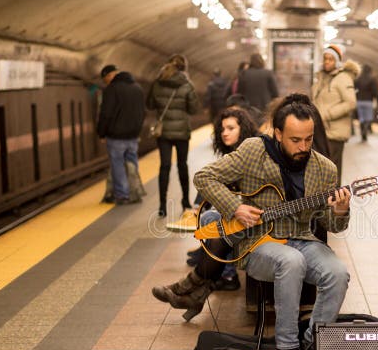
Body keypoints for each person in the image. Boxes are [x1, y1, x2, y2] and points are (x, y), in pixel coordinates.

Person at [193, 94, 351, 350]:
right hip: (256, 243)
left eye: (308, 139)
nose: (303, 147)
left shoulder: (325, 168)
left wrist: (340, 210)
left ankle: (311, 345)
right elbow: (204, 178)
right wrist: (235, 207)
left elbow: (332, 224)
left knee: (338, 273)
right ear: (278, 134)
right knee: (290, 261)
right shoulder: (254, 151)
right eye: (295, 140)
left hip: (302, 239)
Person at [152, 108, 261, 318]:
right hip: (248, 217)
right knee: (211, 219)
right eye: (222, 129)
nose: (225, 133)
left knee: (212, 220)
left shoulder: (250, 153)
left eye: (231, 128)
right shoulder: (235, 154)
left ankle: (189, 287)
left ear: (244, 129)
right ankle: (200, 292)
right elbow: (216, 182)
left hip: (257, 218)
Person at [146, 54, 200, 218]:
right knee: (182, 165)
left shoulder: (157, 83)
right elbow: (193, 109)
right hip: (182, 131)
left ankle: (162, 205)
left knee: (164, 166)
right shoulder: (187, 85)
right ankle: (185, 202)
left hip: (164, 133)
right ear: (184, 69)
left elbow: (149, 104)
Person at [96, 64, 146, 205]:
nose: (105, 81)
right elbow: (143, 112)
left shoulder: (111, 90)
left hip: (116, 136)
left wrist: (101, 133)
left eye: (105, 78)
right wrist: (137, 129)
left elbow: (106, 114)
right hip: (133, 136)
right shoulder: (138, 88)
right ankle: (134, 191)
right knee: (132, 163)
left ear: (110, 75)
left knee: (117, 164)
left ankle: (123, 195)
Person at [311, 44, 359, 185]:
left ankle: (335, 203)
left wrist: (326, 114)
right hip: (320, 130)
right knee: (320, 170)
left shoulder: (343, 78)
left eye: (331, 59)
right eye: (325, 58)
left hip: (334, 132)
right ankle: (321, 202)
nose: (327, 62)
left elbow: (350, 103)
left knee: (332, 170)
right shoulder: (321, 78)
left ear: (337, 61)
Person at [354, 63, 378, 142]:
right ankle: (365, 129)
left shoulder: (358, 79)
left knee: (361, 118)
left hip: (359, 101)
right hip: (368, 101)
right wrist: (376, 99)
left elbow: (354, 89)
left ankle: (362, 131)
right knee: (368, 118)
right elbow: (375, 91)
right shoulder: (372, 79)